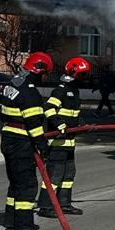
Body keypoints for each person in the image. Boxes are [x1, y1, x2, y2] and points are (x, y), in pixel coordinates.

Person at [0, 51, 53, 230]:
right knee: (27, 187)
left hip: (8, 139)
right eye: (44, 73)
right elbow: (34, 124)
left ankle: (11, 225)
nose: (44, 78)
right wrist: (42, 146)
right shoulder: (30, 91)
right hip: (21, 143)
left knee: (15, 185)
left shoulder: (12, 84)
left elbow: (3, 115)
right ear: (39, 70)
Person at [39, 56, 90, 217]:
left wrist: (81, 125)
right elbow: (48, 109)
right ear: (73, 71)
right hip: (57, 143)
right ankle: (46, 206)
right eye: (82, 75)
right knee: (54, 175)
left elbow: (73, 115)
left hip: (69, 142)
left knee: (69, 174)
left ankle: (64, 203)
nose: (84, 78)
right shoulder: (60, 90)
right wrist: (61, 126)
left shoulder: (74, 91)